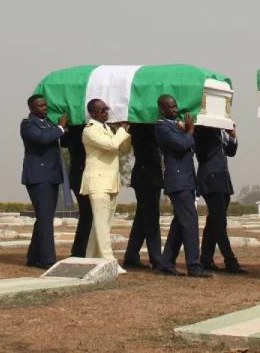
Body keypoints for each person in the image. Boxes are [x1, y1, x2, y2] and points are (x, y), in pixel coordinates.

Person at [155, 95, 211, 278]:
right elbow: (182, 145)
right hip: (178, 180)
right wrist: (190, 131)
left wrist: (186, 132)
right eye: (170, 107)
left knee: (180, 222)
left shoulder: (175, 126)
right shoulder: (162, 126)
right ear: (162, 109)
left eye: (175, 105)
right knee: (190, 221)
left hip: (186, 179)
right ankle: (194, 265)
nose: (175, 109)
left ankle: (166, 263)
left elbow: (190, 147)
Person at [80, 99, 131, 267]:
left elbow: (123, 149)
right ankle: (110, 261)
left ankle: (91, 257)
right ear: (93, 113)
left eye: (107, 109)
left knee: (103, 224)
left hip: (111, 181)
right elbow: (111, 145)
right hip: (97, 181)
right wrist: (121, 130)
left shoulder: (108, 129)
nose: (106, 112)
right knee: (101, 224)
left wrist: (124, 130)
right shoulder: (89, 130)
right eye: (102, 110)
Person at [20, 95, 66, 269]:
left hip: (52, 175)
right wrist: (61, 128)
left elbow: (57, 137)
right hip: (38, 176)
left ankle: (33, 256)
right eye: (40, 106)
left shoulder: (49, 123)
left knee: (44, 218)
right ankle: (47, 259)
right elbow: (43, 138)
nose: (45, 108)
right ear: (32, 108)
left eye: (45, 105)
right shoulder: (28, 124)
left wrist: (64, 128)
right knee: (45, 218)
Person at [196, 124, 246, 274]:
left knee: (213, 221)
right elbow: (203, 154)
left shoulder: (220, 131)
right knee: (219, 222)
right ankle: (230, 261)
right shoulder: (202, 129)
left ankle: (206, 259)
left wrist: (231, 136)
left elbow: (231, 152)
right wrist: (217, 135)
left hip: (222, 179)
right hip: (210, 179)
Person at [123, 123, 163, 271]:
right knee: (151, 218)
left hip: (147, 176)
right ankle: (157, 259)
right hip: (147, 178)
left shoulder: (143, 127)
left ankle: (131, 255)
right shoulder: (144, 128)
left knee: (142, 219)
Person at [60, 120, 93, 259]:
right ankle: (80, 250)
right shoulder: (83, 129)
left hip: (86, 175)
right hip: (80, 176)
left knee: (89, 215)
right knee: (88, 214)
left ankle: (83, 250)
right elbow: (64, 142)